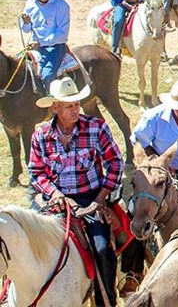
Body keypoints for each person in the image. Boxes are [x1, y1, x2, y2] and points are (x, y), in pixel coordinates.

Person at [29, 77, 124, 305]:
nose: (75, 109)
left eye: (76, 104)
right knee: (27, 242)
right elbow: (36, 172)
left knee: (102, 249)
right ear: (55, 107)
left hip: (90, 199)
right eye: (68, 105)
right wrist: (54, 193)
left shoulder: (96, 127)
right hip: (56, 201)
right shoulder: (40, 136)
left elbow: (115, 163)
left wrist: (100, 198)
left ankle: (106, 300)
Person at [20, 0, 70, 94]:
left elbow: (62, 33)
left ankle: (52, 105)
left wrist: (41, 42)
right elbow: (26, 29)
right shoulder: (30, 4)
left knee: (47, 76)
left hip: (55, 47)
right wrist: (26, 23)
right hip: (34, 45)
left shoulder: (61, 5)